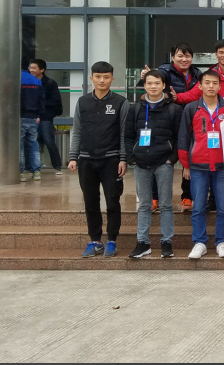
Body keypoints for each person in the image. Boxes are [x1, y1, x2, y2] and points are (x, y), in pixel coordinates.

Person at [68, 61, 129, 258]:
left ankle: (111, 240)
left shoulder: (121, 102)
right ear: (91, 78)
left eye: (106, 77)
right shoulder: (83, 102)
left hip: (111, 160)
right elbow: (77, 130)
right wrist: (73, 156)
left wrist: (123, 158)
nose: (102, 80)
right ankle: (95, 240)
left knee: (113, 201)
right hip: (86, 160)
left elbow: (124, 133)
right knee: (91, 202)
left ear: (112, 79)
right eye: (98, 77)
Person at [177, 70, 224, 259]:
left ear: (220, 86)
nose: (211, 86)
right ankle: (199, 242)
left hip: (222, 166)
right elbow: (184, 137)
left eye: (215, 83)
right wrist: (186, 164)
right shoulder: (191, 108)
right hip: (198, 165)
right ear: (200, 86)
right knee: (199, 206)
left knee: (223, 207)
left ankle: (221, 242)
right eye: (207, 83)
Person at [125, 70, 181, 259]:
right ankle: (142, 243)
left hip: (163, 163)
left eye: (157, 83)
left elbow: (179, 137)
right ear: (144, 85)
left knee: (165, 204)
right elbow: (128, 136)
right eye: (149, 83)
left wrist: (171, 159)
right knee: (144, 205)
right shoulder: (135, 109)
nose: (153, 86)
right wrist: (132, 157)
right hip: (141, 163)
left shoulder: (174, 109)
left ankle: (167, 242)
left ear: (163, 85)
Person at [140, 43, 202, 213]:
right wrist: (146, 76)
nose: (184, 59)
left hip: (190, 119)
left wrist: (177, 97)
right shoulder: (164, 71)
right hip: (166, 118)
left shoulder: (197, 74)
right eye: (180, 55)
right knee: (159, 156)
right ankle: (154, 197)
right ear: (173, 57)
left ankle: (187, 197)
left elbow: (198, 93)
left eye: (187, 56)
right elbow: (153, 89)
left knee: (189, 157)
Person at [173, 39, 224, 106]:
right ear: (216, 54)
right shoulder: (209, 75)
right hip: (216, 115)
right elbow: (195, 94)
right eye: (221, 52)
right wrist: (176, 97)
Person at [28, 59, 64, 175]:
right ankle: (31, 167)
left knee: (49, 141)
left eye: (34, 68)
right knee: (31, 142)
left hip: (45, 117)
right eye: (30, 68)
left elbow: (56, 101)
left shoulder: (50, 83)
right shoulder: (28, 82)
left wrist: (40, 103)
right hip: (30, 116)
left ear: (42, 70)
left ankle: (57, 166)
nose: (31, 70)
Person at [20, 65, 45, 182]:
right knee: (34, 145)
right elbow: (42, 100)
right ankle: (36, 172)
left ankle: (20, 172)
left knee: (19, 147)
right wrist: (39, 115)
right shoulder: (37, 81)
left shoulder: (16, 79)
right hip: (34, 117)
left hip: (19, 117)